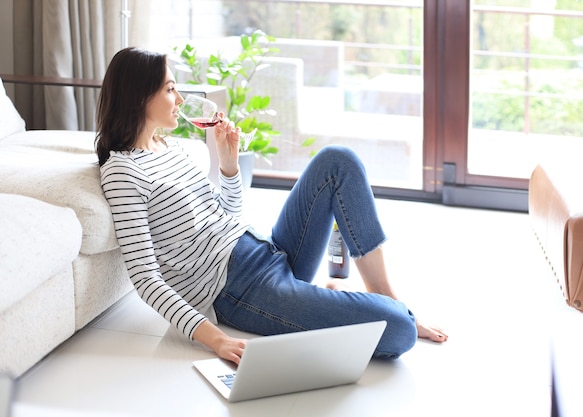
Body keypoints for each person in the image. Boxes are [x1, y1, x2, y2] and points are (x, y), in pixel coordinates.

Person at [96, 47, 447, 365]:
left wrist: (228, 166)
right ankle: (332, 305)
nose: (180, 99)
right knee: (400, 330)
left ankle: (381, 295)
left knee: (337, 160)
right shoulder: (123, 173)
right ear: (139, 96)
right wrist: (215, 339)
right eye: (170, 89)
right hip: (239, 290)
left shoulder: (169, 149)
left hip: (265, 250)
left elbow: (227, 217)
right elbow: (146, 278)